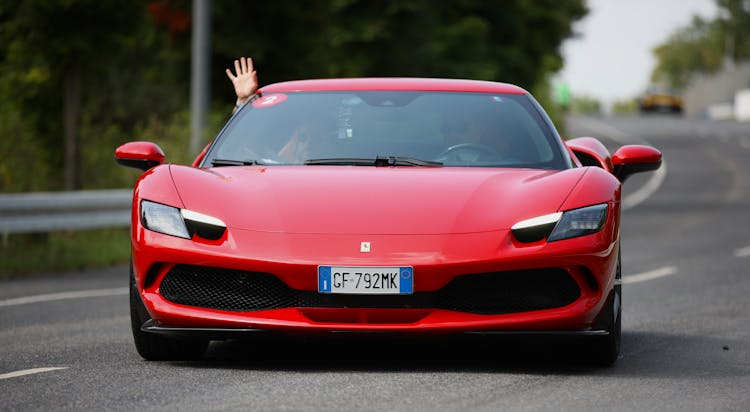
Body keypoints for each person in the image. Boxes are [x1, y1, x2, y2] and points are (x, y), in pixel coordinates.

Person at [225, 56, 311, 162]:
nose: (309, 145)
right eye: (302, 138)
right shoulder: (267, 164)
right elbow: (233, 145)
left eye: (317, 138)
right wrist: (243, 102)